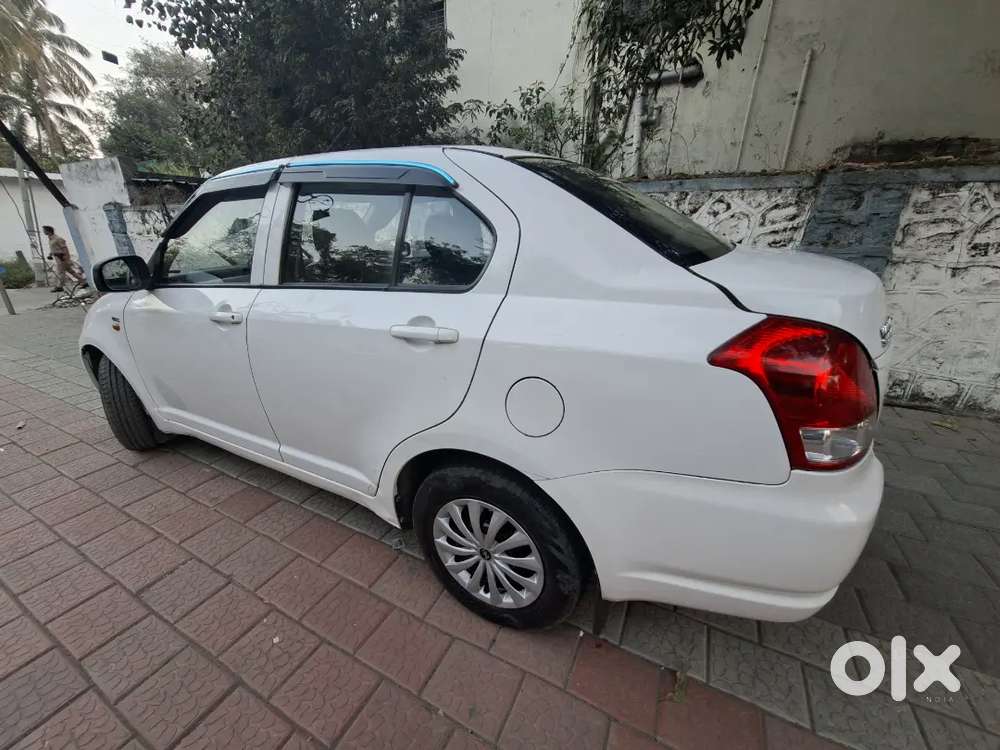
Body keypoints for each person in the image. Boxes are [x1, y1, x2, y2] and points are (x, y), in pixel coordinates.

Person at [43, 225, 85, 292]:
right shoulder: (50, 239)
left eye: (44, 230)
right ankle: (83, 281)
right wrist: (51, 254)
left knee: (60, 272)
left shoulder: (58, 239)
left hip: (61, 257)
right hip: (56, 257)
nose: (43, 232)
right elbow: (54, 248)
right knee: (70, 271)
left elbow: (64, 248)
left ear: (48, 231)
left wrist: (66, 257)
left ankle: (60, 286)